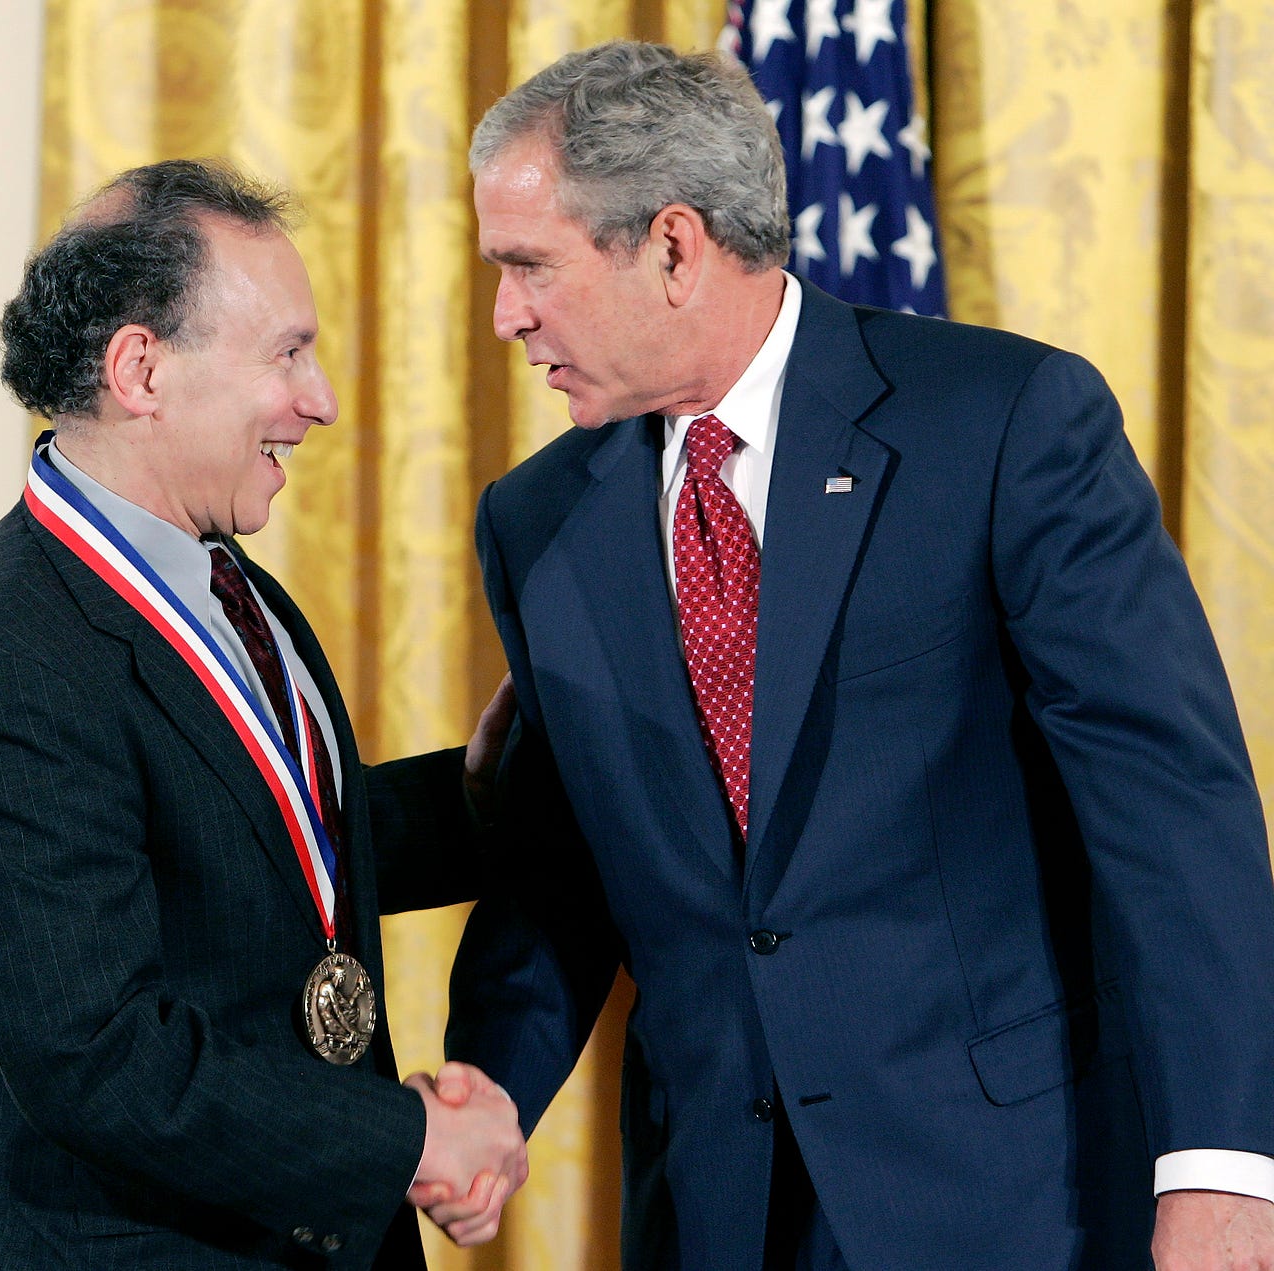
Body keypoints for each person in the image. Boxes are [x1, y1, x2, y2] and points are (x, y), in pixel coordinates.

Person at [444, 40, 1274, 1270]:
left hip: (1006, 1199)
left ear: (673, 246)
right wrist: (494, 1088)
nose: (505, 313)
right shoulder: (537, 521)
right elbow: (567, 863)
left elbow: (1171, 815)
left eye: (528, 267)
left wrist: (1219, 1174)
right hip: (713, 1208)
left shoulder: (1002, 426)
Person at [0, 159, 525, 1270]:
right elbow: (98, 1057)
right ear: (141, 368)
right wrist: (410, 1139)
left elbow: (234, 848)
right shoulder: (16, 662)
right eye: (286, 353)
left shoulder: (219, 572)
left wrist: (468, 802)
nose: (321, 398)